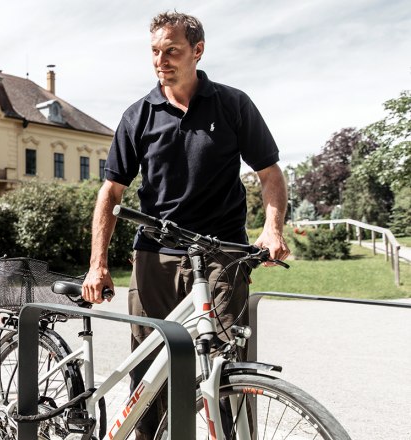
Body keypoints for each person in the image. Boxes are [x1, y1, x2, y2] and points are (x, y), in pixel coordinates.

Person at [81, 11, 289, 439]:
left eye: (171, 51)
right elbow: (111, 193)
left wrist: (272, 229)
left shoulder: (232, 104)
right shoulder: (138, 115)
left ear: (197, 50)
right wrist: (97, 264)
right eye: (155, 52)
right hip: (154, 256)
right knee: (150, 369)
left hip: (222, 254)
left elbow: (270, 175)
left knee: (227, 365)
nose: (161, 61)